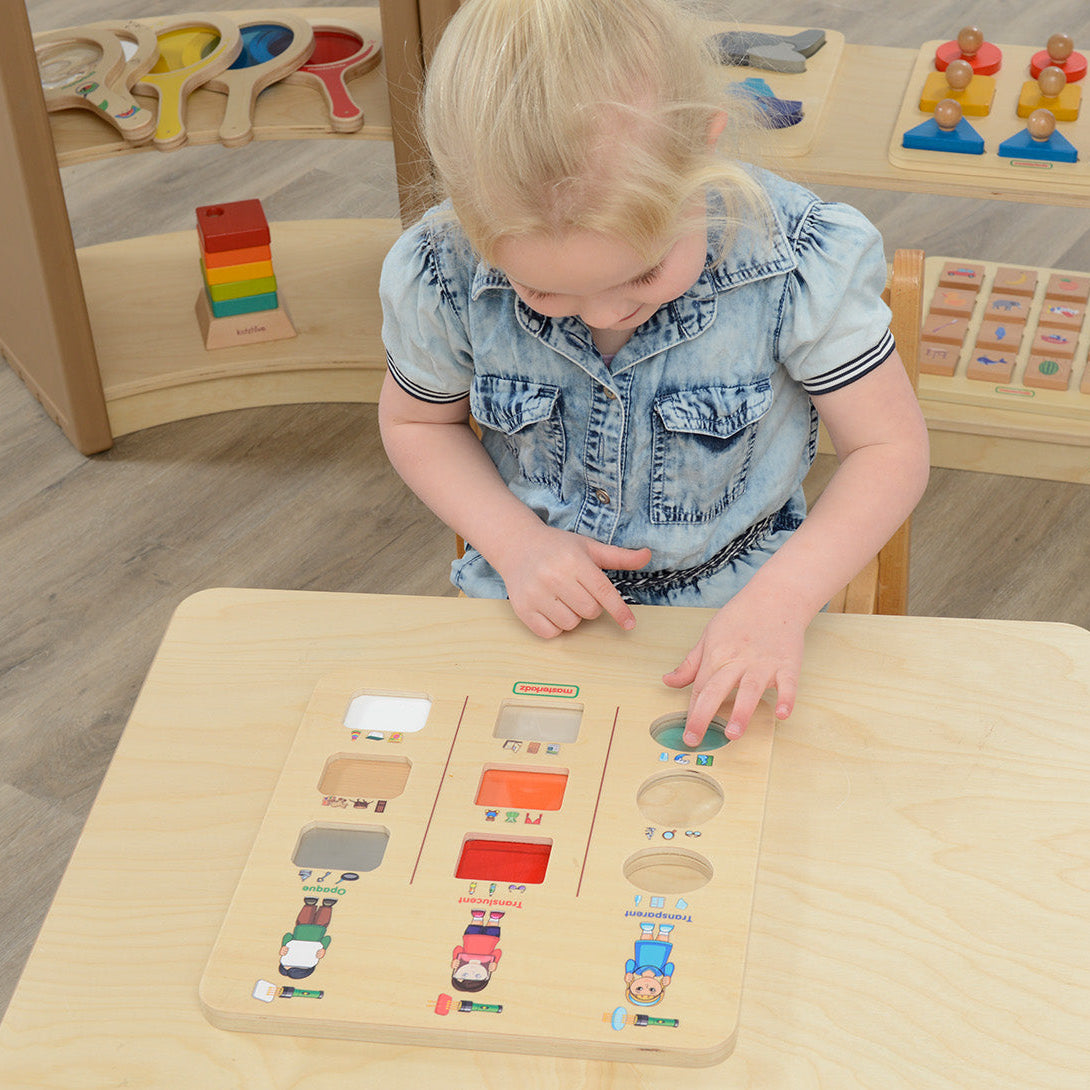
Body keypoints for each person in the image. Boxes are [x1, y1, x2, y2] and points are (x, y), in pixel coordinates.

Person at [378, 0, 929, 744]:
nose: (603, 316)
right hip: (528, 599)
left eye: (640, 274)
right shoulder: (441, 268)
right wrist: (513, 543)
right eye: (541, 291)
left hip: (749, 607)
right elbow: (417, 422)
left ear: (703, 149)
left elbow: (888, 450)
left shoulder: (800, 259)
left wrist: (784, 600)